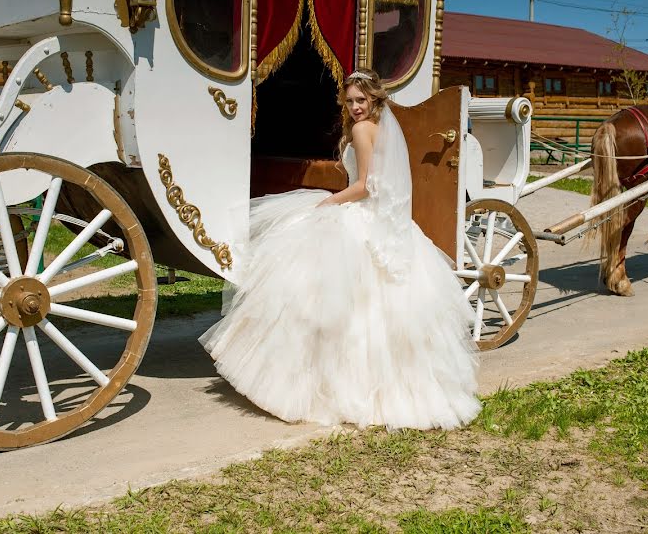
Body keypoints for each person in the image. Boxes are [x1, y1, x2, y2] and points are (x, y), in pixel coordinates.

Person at [200, 69, 480, 430]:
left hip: (362, 213)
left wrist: (329, 203)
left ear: (375, 99)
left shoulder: (364, 130)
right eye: (349, 101)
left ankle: (316, 384)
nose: (355, 108)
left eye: (361, 100)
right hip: (380, 220)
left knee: (326, 296)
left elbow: (364, 186)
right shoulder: (379, 128)